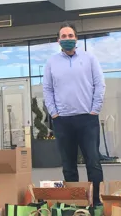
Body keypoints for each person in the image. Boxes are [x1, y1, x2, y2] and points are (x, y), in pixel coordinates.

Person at [42, 23, 106, 205]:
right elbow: (47, 89)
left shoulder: (89, 59)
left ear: (76, 38)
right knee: (68, 166)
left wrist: (95, 109)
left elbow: (100, 84)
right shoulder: (51, 62)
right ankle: (75, 202)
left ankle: (96, 202)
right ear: (58, 40)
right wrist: (54, 113)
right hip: (63, 121)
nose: (67, 39)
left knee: (93, 163)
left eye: (71, 36)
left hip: (87, 118)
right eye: (64, 36)